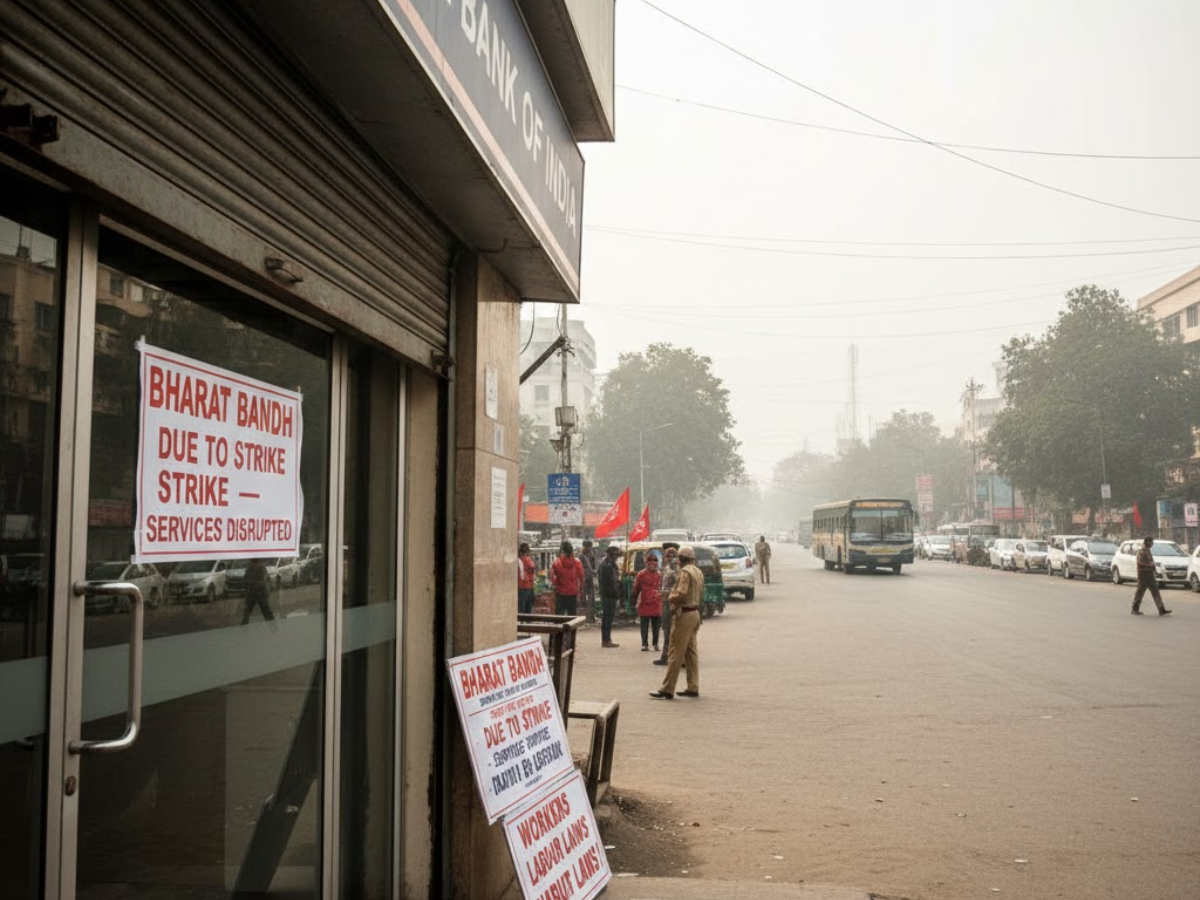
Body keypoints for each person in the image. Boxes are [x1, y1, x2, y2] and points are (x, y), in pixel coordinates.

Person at [649, 544, 702, 700]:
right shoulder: (697, 571)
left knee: (675, 653)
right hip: (695, 613)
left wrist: (670, 597)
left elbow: (681, 593)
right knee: (691, 653)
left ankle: (667, 688)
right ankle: (693, 686)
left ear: (681, 559)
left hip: (684, 614)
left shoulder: (685, 572)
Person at [653, 542, 680, 666]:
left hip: (673, 603)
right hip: (665, 603)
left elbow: (678, 588)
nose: (669, 558)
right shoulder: (667, 568)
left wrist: (663, 592)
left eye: (671, 555)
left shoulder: (677, 570)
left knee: (672, 631)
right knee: (666, 630)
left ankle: (674, 657)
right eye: (667, 555)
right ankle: (666, 655)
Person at [1132, 536, 1172, 616]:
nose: (1152, 543)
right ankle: (1135, 609)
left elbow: (1151, 563)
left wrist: (1154, 571)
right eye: (1151, 542)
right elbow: (1139, 563)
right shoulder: (1142, 551)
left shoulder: (1148, 551)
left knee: (1155, 592)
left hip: (1150, 575)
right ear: (1146, 542)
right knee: (1140, 592)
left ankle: (1161, 609)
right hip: (1143, 575)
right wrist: (1149, 565)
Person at [633, 550, 663, 652]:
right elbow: (636, 588)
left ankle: (655, 644)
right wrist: (634, 601)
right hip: (644, 603)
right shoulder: (641, 574)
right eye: (650, 560)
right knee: (644, 625)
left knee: (656, 626)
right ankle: (644, 644)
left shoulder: (660, 575)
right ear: (646, 562)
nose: (652, 562)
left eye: (655, 560)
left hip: (657, 603)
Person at [597, 544, 622, 648]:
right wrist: (617, 593)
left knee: (608, 618)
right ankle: (606, 640)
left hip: (609, 594)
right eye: (615, 555)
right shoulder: (607, 566)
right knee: (607, 618)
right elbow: (610, 582)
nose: (616, 557)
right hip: (608, 594)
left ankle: (607, 639)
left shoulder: (609, 564)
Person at [550, 540, 584, 616]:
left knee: (559, 617)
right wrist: (580, 591)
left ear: (562, 550)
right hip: (573, 593)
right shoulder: (577, 563)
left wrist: (556, 583)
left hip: (560, 593)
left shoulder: (557, 562)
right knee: (572, 616)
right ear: (571, 550)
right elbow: (582, 578)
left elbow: (552, 577)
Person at [241, 557, 275, 625]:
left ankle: (244, 624)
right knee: (264, 609)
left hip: (256, 591)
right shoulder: (259, 567)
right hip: (258, 591)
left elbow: (247, 580)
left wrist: (249, 586)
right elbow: (265, 579)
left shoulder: (252, 568)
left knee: (249, 609)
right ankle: (272, 624)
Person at [580, 539, 597, 623]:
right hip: (584, 578)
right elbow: (584, 567)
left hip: (589, 578)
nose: (590, 548)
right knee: (584, 598)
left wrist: (594, 571)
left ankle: (591, 616)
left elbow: (593, 566)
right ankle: (586, 617)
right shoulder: (581, 555)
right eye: (589, 547)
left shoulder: (591, 554)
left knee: (591, 597)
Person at [517, 542, 537, 615]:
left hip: (521, 587)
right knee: (528, 610)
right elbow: (532, 567)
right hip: (528, 587)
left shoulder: (518, 560)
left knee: (521, 609)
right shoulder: (528, 560)